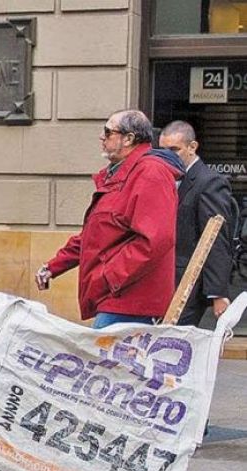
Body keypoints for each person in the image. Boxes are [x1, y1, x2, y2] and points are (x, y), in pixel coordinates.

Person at [36, 109, 183, 329]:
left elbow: (155, 240)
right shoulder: (121, 173)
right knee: (102, 359)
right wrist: (54, 266)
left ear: (128, 138)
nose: (102, 138)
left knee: (100, 359)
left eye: (108, 132)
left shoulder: (150, 173)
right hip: (118, 297)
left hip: (131, 301)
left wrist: (108, 277)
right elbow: (96, 234)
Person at [158, 120, 236, 326]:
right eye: (163, 150)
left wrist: (218, 292)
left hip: (189, 282)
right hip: (164, 278)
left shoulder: (209, 182)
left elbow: (215, 236)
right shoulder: (165, 178)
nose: (168, 156)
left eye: (174, 150)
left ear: (192, 147)